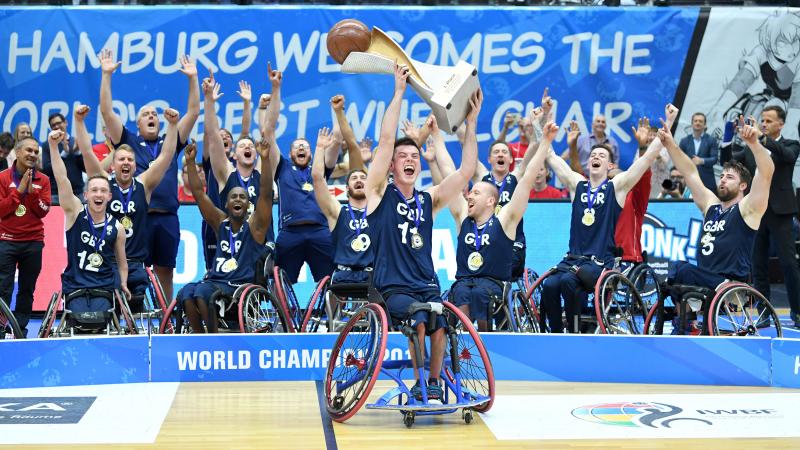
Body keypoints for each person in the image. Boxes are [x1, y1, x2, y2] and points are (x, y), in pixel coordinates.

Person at [365, 63, 479, 402]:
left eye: (413, 155)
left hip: (425, 284)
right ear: (391, 165)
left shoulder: (429, 201)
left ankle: (432, 380)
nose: (409, 159)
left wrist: (470, 124)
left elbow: (466, 170)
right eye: (402, 156)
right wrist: (398, 93)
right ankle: (417, 381)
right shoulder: (378, 194)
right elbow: (387, 140)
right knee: (418, 317)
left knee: (440, 319)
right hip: (392, 288)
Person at [541, 104, 679, 333]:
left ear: (610, 165)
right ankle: (556, 333)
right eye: (593, 154)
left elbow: (645, 163)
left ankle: (574, 334)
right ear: (588, 163)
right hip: (572, 259)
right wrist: (542, 125)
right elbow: (550, 155)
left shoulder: (617, 188)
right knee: (550, 285)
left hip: (600, 262)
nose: (596, 156)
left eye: (601, 155)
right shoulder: (578, 185)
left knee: (568, 282)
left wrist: (669, 124)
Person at [98, 48, 199, 304]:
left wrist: (192, 78)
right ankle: (135, 313)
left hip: (167, 216)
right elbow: (108, 112)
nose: (152, 116)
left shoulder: (170, 140)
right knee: (134, 269)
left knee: (165, 271)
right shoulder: (128, 140)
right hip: (136, 218)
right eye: (146, 114)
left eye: (155, 113)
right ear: (137, 123)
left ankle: (165, 317)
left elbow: (194, 112)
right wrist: (106, 75)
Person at [659, 117, 775, 333]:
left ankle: (689, 320)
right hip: (706, 278)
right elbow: (690, 172)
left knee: (683, 269)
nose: (722, 180)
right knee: (676, 268)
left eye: (729, 177)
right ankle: (687, 321)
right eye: (721, 176)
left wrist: (754, 144)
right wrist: (670, 145)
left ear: (742, 185)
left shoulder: (748, 208)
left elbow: (766, 174)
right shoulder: (711, 206)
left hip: (730, 283)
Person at [446, 120, 558, 330]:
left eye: (504, 152)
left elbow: (528, 175)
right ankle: (460, 339)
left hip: (504, 250)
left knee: (481, 292)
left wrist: (543, 138)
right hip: (471, 270)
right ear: (489, 158)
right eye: (495, 151)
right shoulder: (479, 184)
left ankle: (487, 337)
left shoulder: (511, 194)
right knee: (461, 291)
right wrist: (453, 123)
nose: (470, 194)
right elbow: (455, 172)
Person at [75, 105, 179, 312]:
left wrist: (173, 125)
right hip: (107, 262)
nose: (126, 162)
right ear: (113, 164)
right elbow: (87, 153)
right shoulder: (105, 185)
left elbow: (167, 155)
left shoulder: (144, 184)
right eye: (121, 159)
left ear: (135, 165)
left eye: (130, 159)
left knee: (136, 315)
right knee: (105, 315)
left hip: (135, 264)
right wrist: (79, 122)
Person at [176, 140, 272, 333]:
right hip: (216, 281)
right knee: (185, 292)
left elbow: (266, 194)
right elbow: (198, 193)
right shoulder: (220, 223)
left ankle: (211, 341)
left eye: (242, 197)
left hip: (239, 285)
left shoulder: (255, 227)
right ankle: (197, 337)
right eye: (233, 197)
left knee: (202, 293)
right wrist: (191, 162)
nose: (238, 199)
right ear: (226, 205)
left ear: (248, 205)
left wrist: (266, 159)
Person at [722, 106, 800, 328]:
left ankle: (797, 311)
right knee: (758, 265)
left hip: (780, 212)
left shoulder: (790, 144)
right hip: (756, 212)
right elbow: (728, 162)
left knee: (788, 263)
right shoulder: (750, 149)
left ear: (781, 124)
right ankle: (763, 312)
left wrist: (760, 138)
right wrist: (728, 139)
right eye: (762, 120)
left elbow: (787, 157)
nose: (763, 124)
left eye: (768, 121)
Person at [261, 63, 338, 284]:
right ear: (289, 152)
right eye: (297, 146)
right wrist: (276, 88)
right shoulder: (282, 167)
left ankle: (332, 317)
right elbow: (269, 131)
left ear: (312, 152)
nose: (302, 148)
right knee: (280, 281)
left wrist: (337, 112)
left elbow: (338, 141)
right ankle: (283, 317)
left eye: (305, 146)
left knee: (332, 281)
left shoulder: (319, 168)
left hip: (320, 231)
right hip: (290, 232)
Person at [47, 129, 130, 315]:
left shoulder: (117, 227)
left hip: (104, 288)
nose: (98, 194)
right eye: (94, 190)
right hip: (75, 287)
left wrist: (123, 283)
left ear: (109, 196)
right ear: (86, 195)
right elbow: (61, 178)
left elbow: (122, 263)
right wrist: (53, 147)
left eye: (102, 191)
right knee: (80, 319)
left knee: (99, 320)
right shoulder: (75, 212)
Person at [0, 135, 51, 337]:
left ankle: (20, 328)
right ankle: (0, 328)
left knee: (27, 289)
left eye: (36, 152)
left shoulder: (43, 180)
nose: (32, 154)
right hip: (6, 241)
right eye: (28, 150)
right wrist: (18, 192)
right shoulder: (3, 178)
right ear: (18, 152)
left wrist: (32, 194)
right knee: (3, 289)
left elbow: (44, 210)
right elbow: (1, 210)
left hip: (33, 242)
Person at [311, 123, 372, 284]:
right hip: (343, 275)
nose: (359, 180)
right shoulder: (338, 212)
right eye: (354, 178)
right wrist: (319, 148)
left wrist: (364, 163)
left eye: (363, 178)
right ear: (346, 188)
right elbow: (317, 179)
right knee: (330, 291)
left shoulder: (379, 211)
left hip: (373, 275)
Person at [41, 113, 85, 202]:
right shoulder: (47, 145)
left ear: (66, 123)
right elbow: (46, 170)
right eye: (53, 125)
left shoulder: (76, 142)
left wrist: (77, 152)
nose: (57, 126)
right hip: (56, 194)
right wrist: (64, 153)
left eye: (59, 123)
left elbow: (85, 168)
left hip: (77, 193)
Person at [678, 112, 719, 192]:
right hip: (688, 182)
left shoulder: (711, 140)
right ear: (692, 123)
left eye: (700, 121)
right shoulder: (684, 141)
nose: (698, 123)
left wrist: (701, 161)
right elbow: (679, 159)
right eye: (695, 121)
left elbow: (715, 159)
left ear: (705, 124)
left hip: (707, 182)